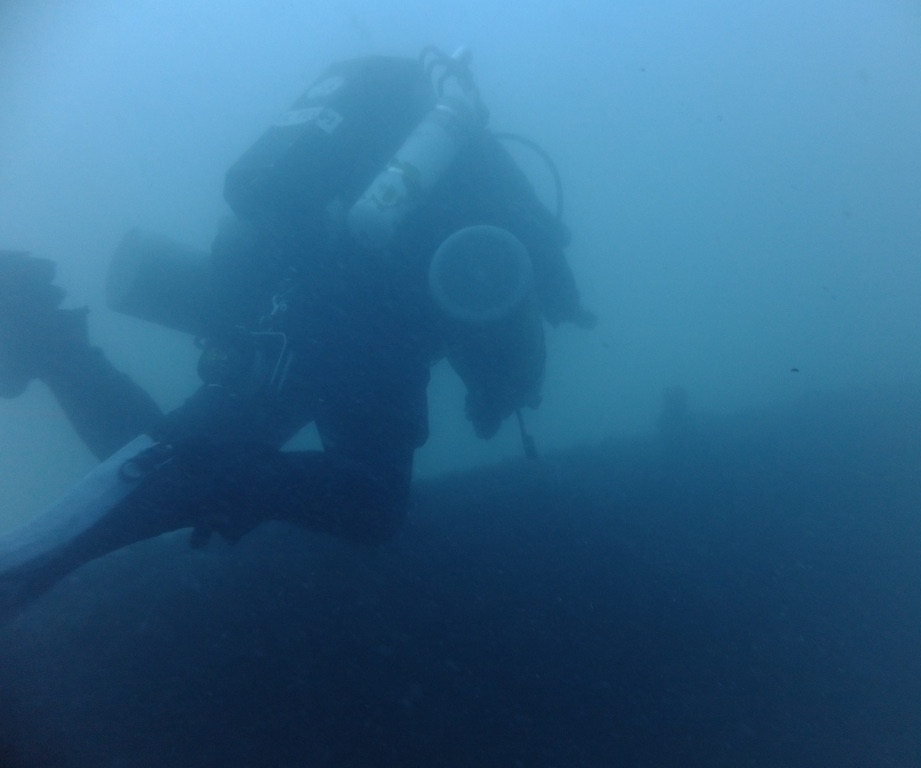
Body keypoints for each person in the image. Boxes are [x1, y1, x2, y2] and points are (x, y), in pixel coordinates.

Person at [0, 49, 592, 615]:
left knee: (163, 455)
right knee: (373, 504)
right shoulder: (504, 217)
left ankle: (55, 346)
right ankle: (227, 471)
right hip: (370, 340)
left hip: (286, 303)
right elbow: (505, 339)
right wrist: (499, 397)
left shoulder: (408, 163)